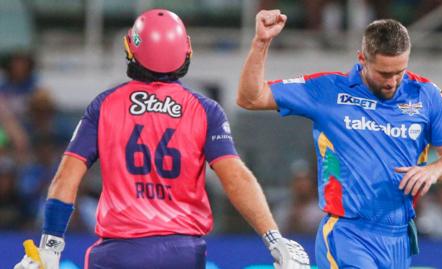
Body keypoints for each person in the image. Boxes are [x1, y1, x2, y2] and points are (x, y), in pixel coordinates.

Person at [14, 9, 310, 269]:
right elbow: (236, 179)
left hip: (118, 254)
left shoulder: (104, 105)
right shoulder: (206, 111)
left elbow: (66, 177)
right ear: (186, 52)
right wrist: (273, 238)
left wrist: (50, 245)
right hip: (183, 254)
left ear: (131, 49)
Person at [236, 9, 442, 268]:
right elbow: (250, 98)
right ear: (362, 59)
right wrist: (261, 42)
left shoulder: (427, 96)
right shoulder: (328, 90)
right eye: (383, 73)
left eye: (399, 71)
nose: (392, 82)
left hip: (399, 237)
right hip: (347, 233)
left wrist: (434, 171)